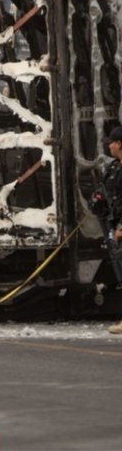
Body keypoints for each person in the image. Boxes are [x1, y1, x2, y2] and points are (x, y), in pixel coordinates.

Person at [98, 127, 122, 334]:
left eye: (111, 142)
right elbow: (104, 193)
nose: (109, 146)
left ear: (119, 144)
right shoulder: (114, 168)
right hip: (114, 227)